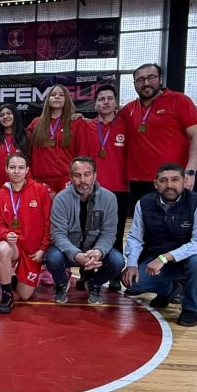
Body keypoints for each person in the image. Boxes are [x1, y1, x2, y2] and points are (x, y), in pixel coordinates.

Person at [122, 163, 197, 327]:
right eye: (163, 181)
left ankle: (190, 308)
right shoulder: (143, 203)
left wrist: (164, 258)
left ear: (185, 181)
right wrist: (131, 264)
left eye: (175, 180)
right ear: (155, 183)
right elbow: (135, 238)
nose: (169, 185)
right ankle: (169, 289)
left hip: (191, 259)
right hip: (158, 260)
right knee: (135, 283)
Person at [118, 63, 197, 206]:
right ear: (134, 84)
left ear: (160, 79)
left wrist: (190, 171)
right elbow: (106, 123)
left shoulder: (179, 100)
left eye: (151, 77)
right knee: (144, 226)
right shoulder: (128, 110)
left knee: (176, 225)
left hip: (172, 180)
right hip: (139, 182)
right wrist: (81, 118)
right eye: (140, 80)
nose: (146, 83)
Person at [46, 157, 125, 305]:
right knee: (52, 257)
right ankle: (62, 284)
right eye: (77, 175)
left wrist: (99, 251)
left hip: (94, 252)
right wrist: (76, 255)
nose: (82, 180)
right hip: (69, 251)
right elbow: (57, 234)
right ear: (70, 177)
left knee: (118, 261)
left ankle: (94, 284)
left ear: (95, 175)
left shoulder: (110, 198)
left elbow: (109, 233)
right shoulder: (61, 198)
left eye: (87, 174)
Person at [74, 84, 128, 291]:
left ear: (116, 103)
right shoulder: (86, 126)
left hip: (118, 188)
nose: (105, 102)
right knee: (87, 231)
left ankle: (114, 274)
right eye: (101, 99)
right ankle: (86, 273)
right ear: (95, 103)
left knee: (115, 231)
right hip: (90, 189)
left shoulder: (125, 125)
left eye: (109, 98)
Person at [0, 152, 52, 314]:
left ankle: (16, 278)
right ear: (6, 169)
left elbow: (48, 223)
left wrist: (42, 249)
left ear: (27, 170)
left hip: (33, 251)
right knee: (2, 249)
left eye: (20, 167)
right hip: (14, 246)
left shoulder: (40, 191)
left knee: (25, 295)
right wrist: (5, 234)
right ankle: (6, 294)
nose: (16, 171)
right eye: (12, 167)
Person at [27, 84, 82, 193]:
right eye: (53, 94)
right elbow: (20, 138)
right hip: (42, 179)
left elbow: (81, 151)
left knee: (65, 210)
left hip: (66, 178)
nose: (57, 97)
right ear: (48, 100)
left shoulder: (75, 122)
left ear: (66, 100)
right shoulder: (36, 123)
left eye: (61, 95)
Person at [0, 104, 30, 189]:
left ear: (15, 115)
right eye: (1, 115)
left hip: (22, 186)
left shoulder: (26, 137)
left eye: (9, 113)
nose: (5, 117)